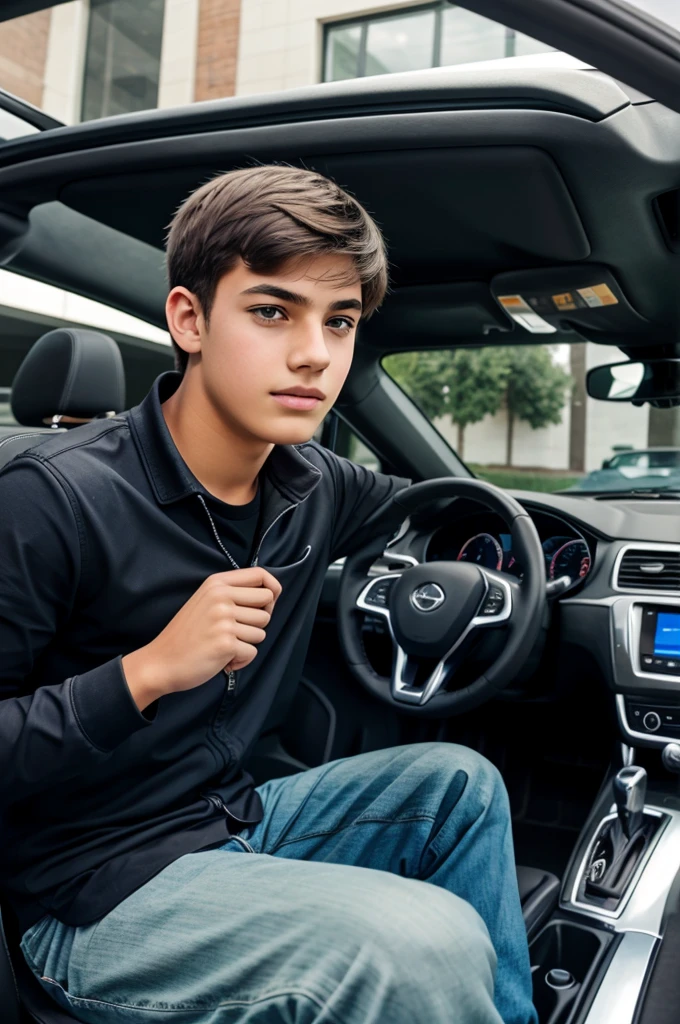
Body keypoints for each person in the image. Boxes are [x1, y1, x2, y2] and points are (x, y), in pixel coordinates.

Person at [0, 165, 536, 1024]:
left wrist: (538, 552)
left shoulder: (314, 483)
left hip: (231, 819)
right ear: (190, 319)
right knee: (423, 939)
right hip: (84, 898)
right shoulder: (51, 498)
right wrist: (146, 672)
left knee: (457, 783)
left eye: (342, 321)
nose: (314, 354)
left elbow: (438, 508)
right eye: (272, 311)